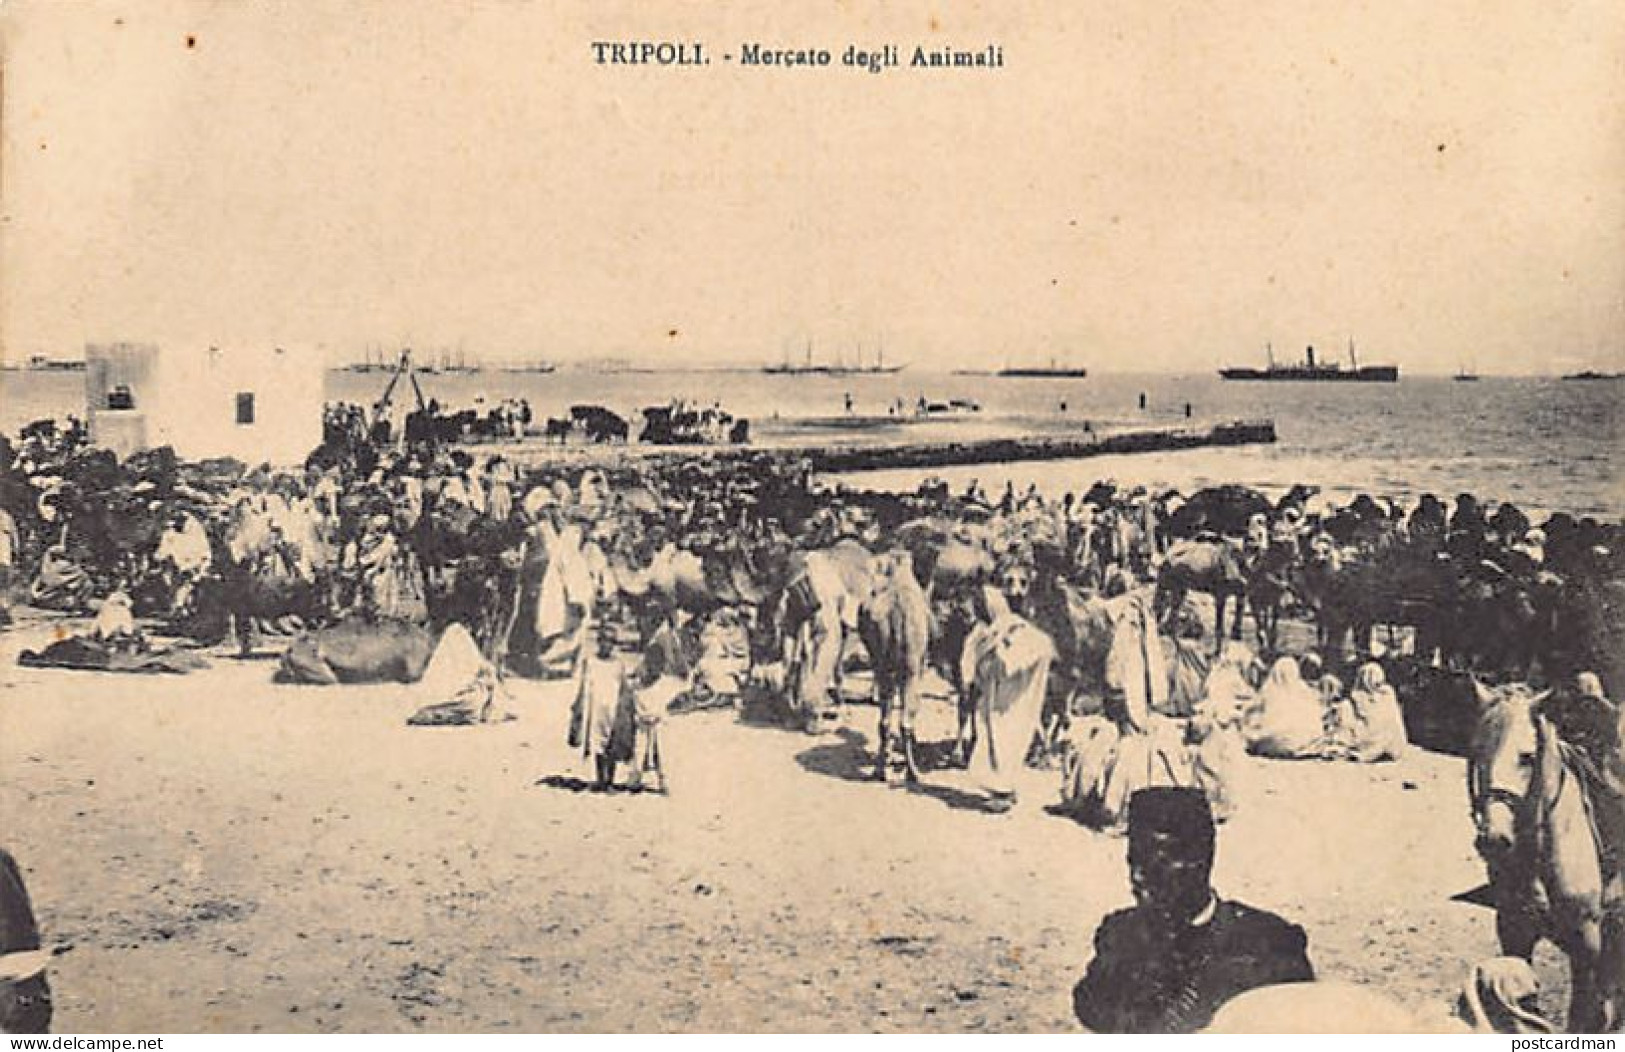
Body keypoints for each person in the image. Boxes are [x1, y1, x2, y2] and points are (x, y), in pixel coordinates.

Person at [1072, 788, 1314, 1033]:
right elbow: (1095, 1010)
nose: (1136, 878)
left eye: (1155, 866)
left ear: (1200, 862)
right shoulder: (1120, 935)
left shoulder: (1270, 943)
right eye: (1133, 861)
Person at [960, 585, 1055, 811]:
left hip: (1011, 695)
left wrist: (998, 653)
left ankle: (1003, 791)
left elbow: (1018, 658)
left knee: (1004, 739)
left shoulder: (1011, 628)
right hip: (998, 693)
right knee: (997, 739)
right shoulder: (991, 630)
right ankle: (1003, 788)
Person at [568, 624, 631, 790]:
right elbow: (584, 685)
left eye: (611, 642)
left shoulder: (618, 664)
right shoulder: (591, 662)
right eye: (603, 641)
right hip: (595, 708)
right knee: (597, 743)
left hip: (613, 707)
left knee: (612, 742)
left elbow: (624, 686)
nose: (607, 645)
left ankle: (610, 779)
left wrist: (625, 708)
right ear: (598, 642)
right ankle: (600, 779)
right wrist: (579, 705)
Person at [1245, 656, 1325, 759]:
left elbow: (1253, 712)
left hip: (1275, 740)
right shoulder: (1303, 689)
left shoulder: (1268, 690)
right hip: (1305, 740)